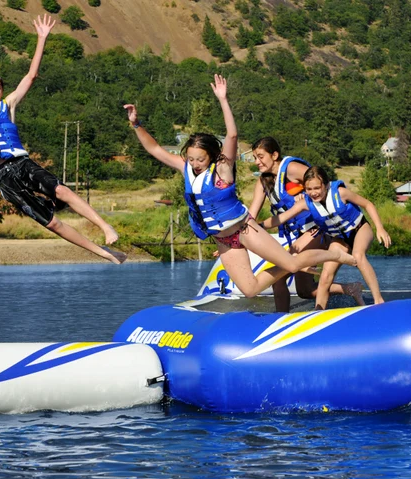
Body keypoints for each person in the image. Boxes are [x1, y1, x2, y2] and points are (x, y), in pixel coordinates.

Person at [123, 75, 356, 298]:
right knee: (251, 289)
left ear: (212, 157)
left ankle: (334, 255)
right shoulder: (186, 168)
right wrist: (137, 124)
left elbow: (232, 135)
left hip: (244, 229)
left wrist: (223, 100)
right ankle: (296, 267)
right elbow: (154, 149)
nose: (194, 164)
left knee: (293, 262)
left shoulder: (222, 170)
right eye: (191, 159)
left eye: (200, 160)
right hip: (223, 240)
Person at [0, 15, 126, 265]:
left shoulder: (10, 104)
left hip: (20, 164)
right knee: (51, 223)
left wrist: (41, 38)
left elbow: (31, 75)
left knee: (62, 190)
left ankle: (106, 227)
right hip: (0, 176)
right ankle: (105, 254)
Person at [248, 137, 365, 311]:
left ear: (274, 155)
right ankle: (350, 288)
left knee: (278, 276)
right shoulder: (263, 181)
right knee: (305, 290)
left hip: (316, 229)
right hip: (298, 234)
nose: (257, 162)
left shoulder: (292, 168)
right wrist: (235, 238)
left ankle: (281, 319)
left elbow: (322, 185)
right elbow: (251, 215)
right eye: (255, 158)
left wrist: (305, 194)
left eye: (260, 157)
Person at [261, 166, 391, 309]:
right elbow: (281, 218)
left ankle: (378, 301)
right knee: (325, 276)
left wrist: (380, 228)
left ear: (326, 185)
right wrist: (258, 226)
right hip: (340, 239)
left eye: (317, 188)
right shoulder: (306, 203)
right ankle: (318, 312)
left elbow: (367, 204)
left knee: (358, 255)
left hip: (359, 229)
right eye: (309, 189)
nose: (313, 193)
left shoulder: (340, 193)